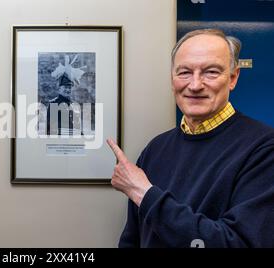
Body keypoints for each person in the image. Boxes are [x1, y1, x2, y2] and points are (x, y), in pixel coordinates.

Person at [107, 29, 274, 247]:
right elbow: (132, 238)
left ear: (233, 78)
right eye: (184, 72)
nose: (195, 85)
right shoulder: (155, 149)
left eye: (211, 72)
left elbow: (238, 243)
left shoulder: (263, 148)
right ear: (172, 79)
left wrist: (144, 193)